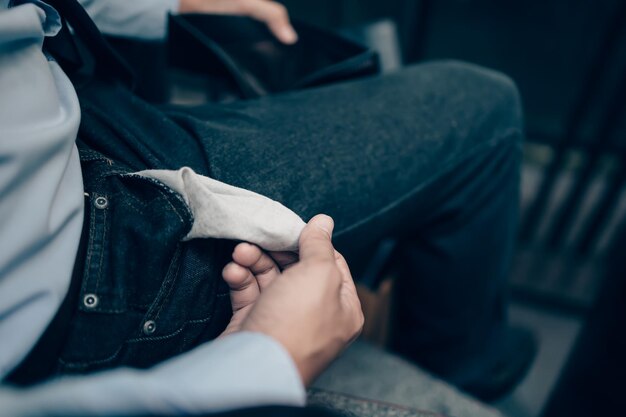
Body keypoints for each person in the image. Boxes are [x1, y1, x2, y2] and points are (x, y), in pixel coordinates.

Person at [0, 0, 535, 415]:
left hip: (68, 122)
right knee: (482, 107)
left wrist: (163, 6)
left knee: (322, 63)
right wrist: (270, 358)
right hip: (88, 255)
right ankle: (467, 377)